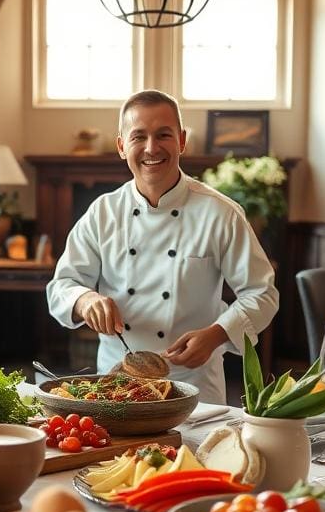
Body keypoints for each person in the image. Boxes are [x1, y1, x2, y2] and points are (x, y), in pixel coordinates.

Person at [46, 89, 279, 405]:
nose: (151, 148)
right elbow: (61, 286)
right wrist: (85, 299)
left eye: (164, 135)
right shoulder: (103, 213)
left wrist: (217, 334)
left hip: (195, 388)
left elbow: (262, 293)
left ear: (181, 141)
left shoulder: (221, 213)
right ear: (121, 146)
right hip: (115, 384)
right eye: (138, 137)